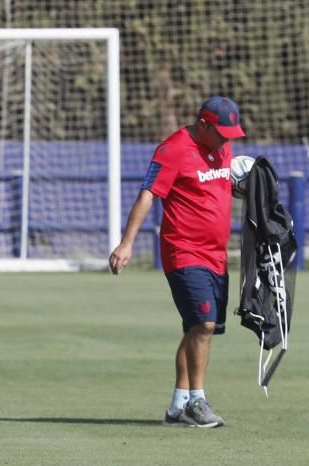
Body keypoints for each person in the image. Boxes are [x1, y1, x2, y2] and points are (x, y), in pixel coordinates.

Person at [109, 96, 246, 429]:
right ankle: (198, 401)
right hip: (183, 251)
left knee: (196, 329)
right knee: (204, 325)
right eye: (221, 132)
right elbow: (148, 193)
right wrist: (126, 243)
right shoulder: (172, 149)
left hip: (217, 254)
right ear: (203, 124)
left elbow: (219, 186)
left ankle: (177, 407)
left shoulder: (223, 149)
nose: (227, 139)